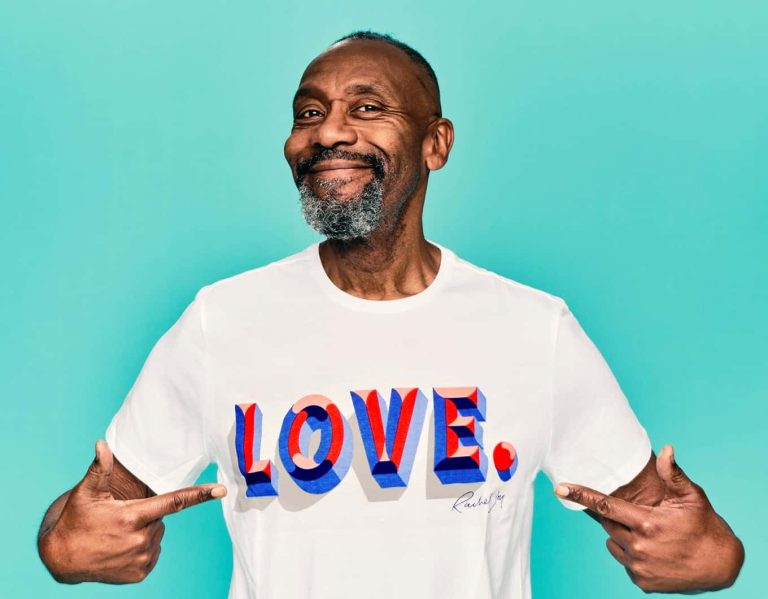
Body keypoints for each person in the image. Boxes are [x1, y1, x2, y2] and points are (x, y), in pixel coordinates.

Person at [37, 31, 744, 598]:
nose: (328, 133)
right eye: (309, 113)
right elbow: (82, 526)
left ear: (437, 142)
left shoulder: (533, 327)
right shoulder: (222, 319)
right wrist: (72, 540)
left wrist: (699, 551)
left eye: (367, 108)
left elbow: (687, 543)